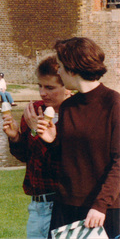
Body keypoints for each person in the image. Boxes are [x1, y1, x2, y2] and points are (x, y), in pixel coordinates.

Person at [37, 37, 120, 239]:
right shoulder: (67, 107)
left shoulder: (114, 104)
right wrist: (52, 141)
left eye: (61, 67)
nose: (58, 72)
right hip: (65, 207)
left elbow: (119, 162)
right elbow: (69, 159)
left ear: (73, 69)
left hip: (103, 210)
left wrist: (100, 206)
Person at [2, 56, 70, 238]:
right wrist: (15, 138)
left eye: (49, 87)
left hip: (64, 205)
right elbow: (28, 157)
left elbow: (61, 163)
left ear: (68, 87)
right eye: (39, 86)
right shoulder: (34, 111)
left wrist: (36, 132)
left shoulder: (74, 115)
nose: (42, 93)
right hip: (38, 204)